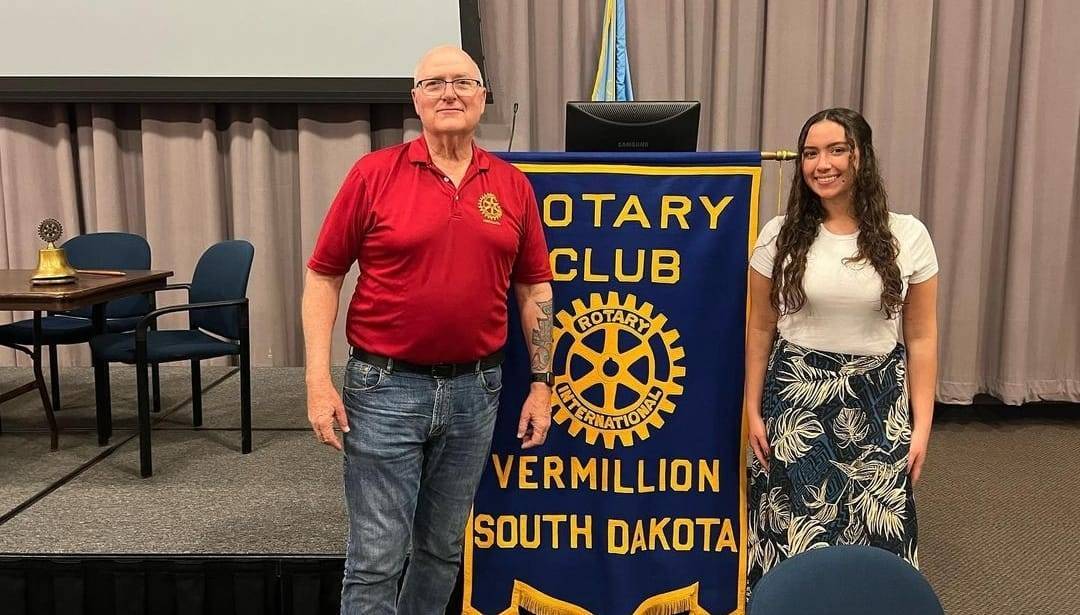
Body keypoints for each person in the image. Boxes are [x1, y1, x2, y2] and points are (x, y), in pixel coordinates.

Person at [301, 45, 555, 614]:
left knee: (442, 550)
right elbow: (323, 277)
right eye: (434, 83)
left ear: (482, 96)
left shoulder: (512, 186)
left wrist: (542, 383)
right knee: (376, 557)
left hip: (477, 394)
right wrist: (317, 380)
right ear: (415, 99)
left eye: (462, 82)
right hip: (385, 389)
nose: (449, 93)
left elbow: (535, 289)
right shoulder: (373, 174)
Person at [744, 108, 939, 593]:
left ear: (861, 158)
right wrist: (751, 407)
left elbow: (921, 338)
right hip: (795, 399)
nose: (821, 164)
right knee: (795, 534)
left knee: (877, 533)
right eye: (811, 153)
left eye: (836, 150)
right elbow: (760, 328)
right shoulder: (779, 233)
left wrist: (922, 425)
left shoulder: (908, 235)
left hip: (878, 401)